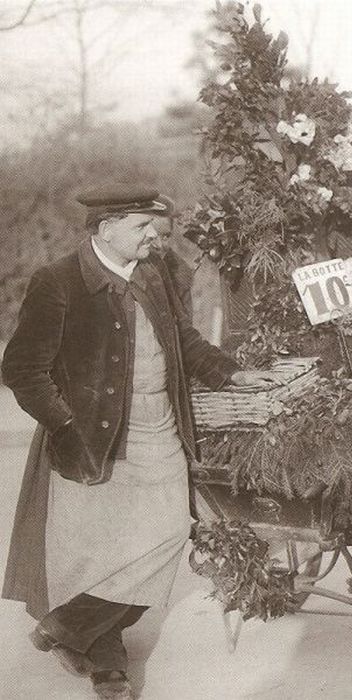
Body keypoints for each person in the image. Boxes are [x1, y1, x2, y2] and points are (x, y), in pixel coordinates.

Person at [1, 183, 278, 699]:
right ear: (106, 229)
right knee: (103, 554)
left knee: (170, 531)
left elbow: (184, 341)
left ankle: (65, 627)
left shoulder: (155, 274)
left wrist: (229, 373)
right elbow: (21, 368)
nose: (155, 236)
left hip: (160, 429)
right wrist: (65, 425)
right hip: (91, 439)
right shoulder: (58, 281)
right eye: (142, 227)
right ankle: (109, 665)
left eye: (155, 226)